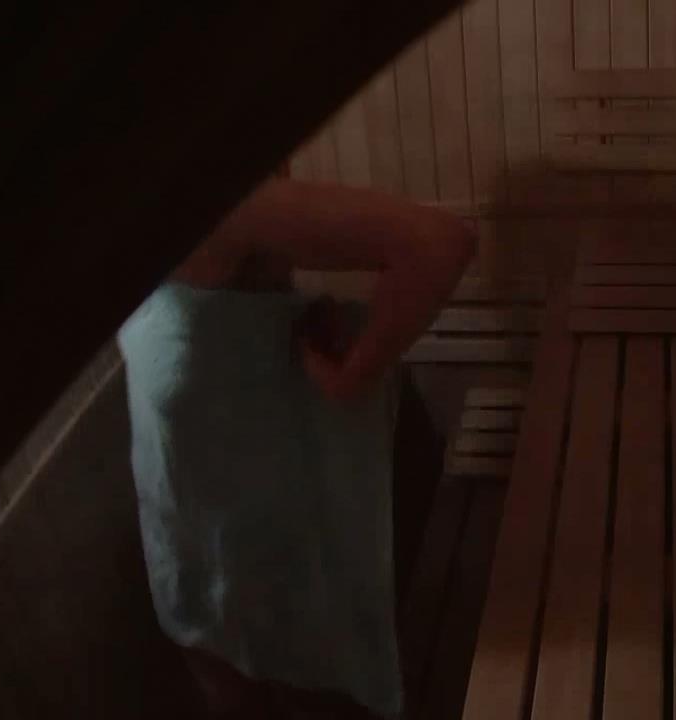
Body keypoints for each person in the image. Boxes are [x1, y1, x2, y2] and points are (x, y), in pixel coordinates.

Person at [117, 179, 475, 718]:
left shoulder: (229, 204)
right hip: (182, 509)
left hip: (273, 529)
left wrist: (353, 378)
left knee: (310, 689)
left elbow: (438, 242)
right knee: (223, 678)